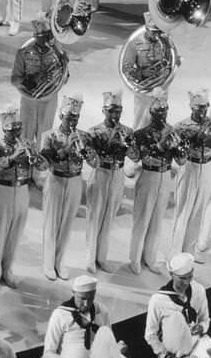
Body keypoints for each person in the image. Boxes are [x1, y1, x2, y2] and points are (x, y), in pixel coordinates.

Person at [126, 90, 181, 274]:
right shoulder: (141, 133)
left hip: (165, 175)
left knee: (157, 220)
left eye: (164, 111)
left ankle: (150, 257)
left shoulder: (172, 131)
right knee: (141, 219)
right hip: (148, 174)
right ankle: (134, 259)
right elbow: (138, 156)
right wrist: (160, 146)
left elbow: (180, 160)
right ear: (151, 113)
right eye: (158, 112)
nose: (162, 115)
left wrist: (180, 150)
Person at [0, 106, 38, 290]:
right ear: (4, 130)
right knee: (0, 235)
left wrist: (34, 156)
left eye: (19, 129)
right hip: (3, 191)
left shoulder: (27, 143)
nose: (16, 133)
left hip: (23, 190)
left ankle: (7, 271)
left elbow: (37, 164)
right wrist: (14, 157)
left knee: (15, 235)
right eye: (12, 130)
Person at [82, 90, 131, 274]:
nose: (115, 115)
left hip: (118, 173)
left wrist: (127, 144)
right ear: (104, 110)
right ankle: (89, 257)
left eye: (118, 111)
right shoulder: (93, 132)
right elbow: (90, 159)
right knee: (95, 215)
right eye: (111, 110)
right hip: (100, 172)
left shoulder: (127, 131)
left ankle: (102, 257)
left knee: (109, 216)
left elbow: (134, 155)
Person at [39, 92, 85, 282]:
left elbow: (92, 159)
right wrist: (66, 149)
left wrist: (84, 150)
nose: (72, 120)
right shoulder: (49, 135)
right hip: (56, 179)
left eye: (75, 117)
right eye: (69, 116)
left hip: (75, 180)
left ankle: (60, 261)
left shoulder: (83, 136)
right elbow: (45, 160)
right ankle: (48, 263)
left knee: (67, 223)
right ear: (60, 116)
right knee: (52, 222)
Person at [170, 88, 211, 256]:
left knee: (198, 213)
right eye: (199, 107)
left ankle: (188, 253)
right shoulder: (181, 126)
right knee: (183, 212)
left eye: (205, 106)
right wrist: (192, 142)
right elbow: (177, 155)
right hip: (189, 167)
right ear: (191, 107)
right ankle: (175, 253)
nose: (203, 110)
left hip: (206, 167)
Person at [10, 16, 67, 149]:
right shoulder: (23, 53)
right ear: (36, 36)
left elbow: (64, 79)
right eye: (43, 37)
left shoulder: (58, 54)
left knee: (45, 138)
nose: (47, 40)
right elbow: (14, 79)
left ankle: (42, 167)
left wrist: (63, 65)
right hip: (28, 100)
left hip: (49, 100)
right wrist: (34, 79)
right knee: (26, 138)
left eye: (48, 36)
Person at [144, 252, 209, 358]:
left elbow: (205, 319)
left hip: (195, 353)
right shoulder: (158, 300)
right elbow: (150, 335)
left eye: (190, 277)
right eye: (182, 278)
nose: (186, 282)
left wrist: (201, 327)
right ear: (171, 274)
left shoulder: (199, 290)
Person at [120, 12, 177, 128]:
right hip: (143, 89)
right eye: (153, 32)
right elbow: (126, 69)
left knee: (160, 120)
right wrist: (142, 73)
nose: (156, 36)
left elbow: (172, 61)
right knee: (141, 122)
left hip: (161, 88)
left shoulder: (165, 41)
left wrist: (168, 70)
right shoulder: (135, 43)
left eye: (158, 32)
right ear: (146, 28)